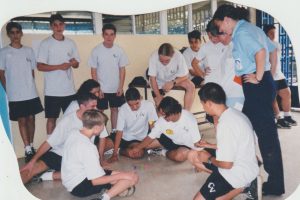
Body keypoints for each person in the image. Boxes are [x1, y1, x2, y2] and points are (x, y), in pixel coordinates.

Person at [213, 4, 285, 195]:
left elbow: (261, 52)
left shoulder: (242, 32)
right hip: (260, 84)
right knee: (244, 128)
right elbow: (271, 50)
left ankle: (275, 184)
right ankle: (245, 171)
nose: (221, 30)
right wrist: (268, 74)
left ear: (227, 20)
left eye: (220, 26)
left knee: (265, 137)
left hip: (257, 85)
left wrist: (259, 76)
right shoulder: (250, 28)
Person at [188, 82, 259, 200]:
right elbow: (234, 144)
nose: (203, 108)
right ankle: (243, 183)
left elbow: (227, 165)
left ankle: (243, 186)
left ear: (209, 103)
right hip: (247, 163)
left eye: (202, 104)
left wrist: (209, 159)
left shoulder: (225, 124)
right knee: (193, 155)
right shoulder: (235, 114)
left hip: (237, 172)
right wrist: (209, 145)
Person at [20, 93, 106, 184]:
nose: (96, 109)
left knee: (88, 174)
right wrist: (32, 161)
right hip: (59, 154)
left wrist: (100, 160)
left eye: (96, 106)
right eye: (92, 106)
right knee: (30, 170)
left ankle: (48, 175)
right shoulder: (68, 120)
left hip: (77, 158)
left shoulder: (97, 118)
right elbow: (49, 142)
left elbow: (103, 137)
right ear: (82, 106)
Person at [62, 109, 138, 199]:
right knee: (132, 179)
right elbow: (95, 181)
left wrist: (120, 175)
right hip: (79, 187)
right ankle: (104, 197)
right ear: (97, 128)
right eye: (103, 125)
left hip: (71, 180)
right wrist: (124, 176)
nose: (104, 128)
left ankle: (114, 188)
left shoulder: (74, 133)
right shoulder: (89, 147)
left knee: (121, 176)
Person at [0, 22, 43, 162]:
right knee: (22, 119)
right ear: (8, 35)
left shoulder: (29, 51)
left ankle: (31, 146)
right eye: (12, 33)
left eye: (17, 32)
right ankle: (27, 148)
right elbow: (1, 74)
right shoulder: (4, 52)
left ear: (21, 33)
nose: (15, 35)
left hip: (30, 92)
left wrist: (30, 86)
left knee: (31, 118)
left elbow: (32, 72)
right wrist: (8, 91)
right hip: (15, 94)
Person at [37, 13, 80, 136]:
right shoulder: (45, 43)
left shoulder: (70, 43)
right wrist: (59, 67)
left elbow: (76, 64)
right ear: (51, 27)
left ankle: (70, 144)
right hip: (52, 91)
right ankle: (50, 147)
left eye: (60, 24)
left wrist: (74, 62)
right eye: (55, 25)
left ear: (64, 25)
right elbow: (40, 66)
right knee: (52, 119)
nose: (58, 27)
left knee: (72, 118)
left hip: (69, 90)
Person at [129, 96, 202, 162]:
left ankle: (163, 152)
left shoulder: (189, 119)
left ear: (173, 113)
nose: (162, 117)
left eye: (164, 115)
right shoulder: (162, 120)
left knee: (180, 156)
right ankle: (160, 146)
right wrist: (137, 148)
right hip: (169, 140)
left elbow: (197, 144)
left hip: (184, 145)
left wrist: (198, 161)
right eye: (161, 114)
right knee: (143, 145)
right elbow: (150, 137)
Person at [88, 23, 129, 133]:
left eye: (111, 34)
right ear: (103, 35)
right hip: (102, 88)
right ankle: (101, 133)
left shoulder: (119, 50)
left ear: (115, 36)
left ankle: (114, 132)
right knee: (100, 111)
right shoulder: (96, 50)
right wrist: (97, 89)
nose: (109, 37)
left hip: (115, 88)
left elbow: (122, 69)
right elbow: (93, 71)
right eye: (106, 34)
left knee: (115, 109)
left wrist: (120, 87)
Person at [106, 87, 158, 162]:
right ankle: (118, 149)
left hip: (138, 139)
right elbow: (119, 132)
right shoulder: (123, 109)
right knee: (100, 146)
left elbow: (152, 125)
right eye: (131, 105)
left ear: (140, 98)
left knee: (137, 154)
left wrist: (150, 141)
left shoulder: (149, 105)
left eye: (137, 103)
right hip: (123, 137)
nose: (134, 107)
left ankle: (121, 150)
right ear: (126, 102)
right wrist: (114, 154)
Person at [263, 24, 297, 128]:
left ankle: (287, 116)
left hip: (279, 74)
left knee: (287, 93)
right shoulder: (263, 45)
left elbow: (277, 61)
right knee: (272, 98)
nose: (273, 35)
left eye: (274, 33)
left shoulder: (277, 44)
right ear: (265, 34)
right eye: (271, 33)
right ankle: (279, 119)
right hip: (269, 74)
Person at [148, 43, 195, 111]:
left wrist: (173, 82)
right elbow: (152, 79)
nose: (164, 63)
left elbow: (186, 75)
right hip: (158, 81)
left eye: (167, 61)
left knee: (191, 86)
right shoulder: (153, 57)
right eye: (161, 61)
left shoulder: (178, 55)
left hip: (174, 80)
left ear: (172, 55)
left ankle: (186, 113)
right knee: (160, 107)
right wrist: (159, 97)